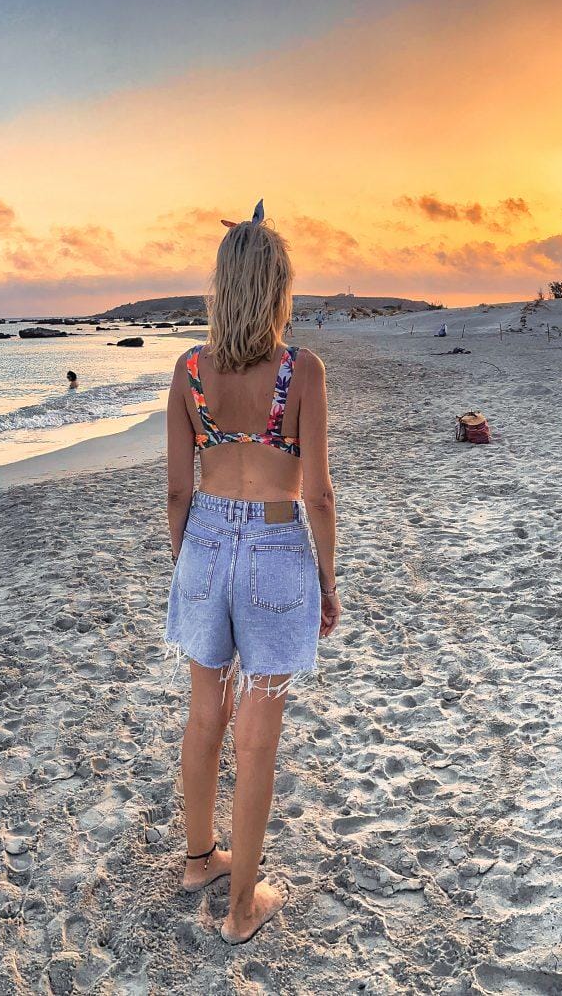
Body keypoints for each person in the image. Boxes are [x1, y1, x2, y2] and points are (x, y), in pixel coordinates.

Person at [164, 199, 339, 945]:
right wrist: (328, 581)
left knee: (207, 708)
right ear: (276, 288)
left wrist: (190, 561)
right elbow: (320, 493)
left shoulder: (190, 371)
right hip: (273, 548)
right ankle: (242, 908)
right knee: (257, 732)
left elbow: (177, 488)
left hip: (203, 540)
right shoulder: (300, 371)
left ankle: (199, 858)